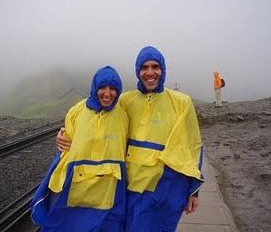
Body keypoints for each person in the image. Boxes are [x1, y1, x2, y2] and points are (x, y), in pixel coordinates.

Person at [57, 46, 204, 232]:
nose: (150, 72)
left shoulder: (182, 102)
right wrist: (66, 133)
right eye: (144, 67)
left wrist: (194, 190)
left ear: (163, 70)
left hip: (163, 188)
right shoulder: (125, 101)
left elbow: (192, 146)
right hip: (127, 187)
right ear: (138, 71)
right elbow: (96, 119)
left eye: (155, 67)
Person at [31, 66, 129, 232]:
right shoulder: (76, 111)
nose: (107, 93)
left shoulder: (124, 114)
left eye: (113, 88)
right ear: (94, 87)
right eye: (102, 87)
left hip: (108, 193)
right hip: (76, 192)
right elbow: (66, 146)